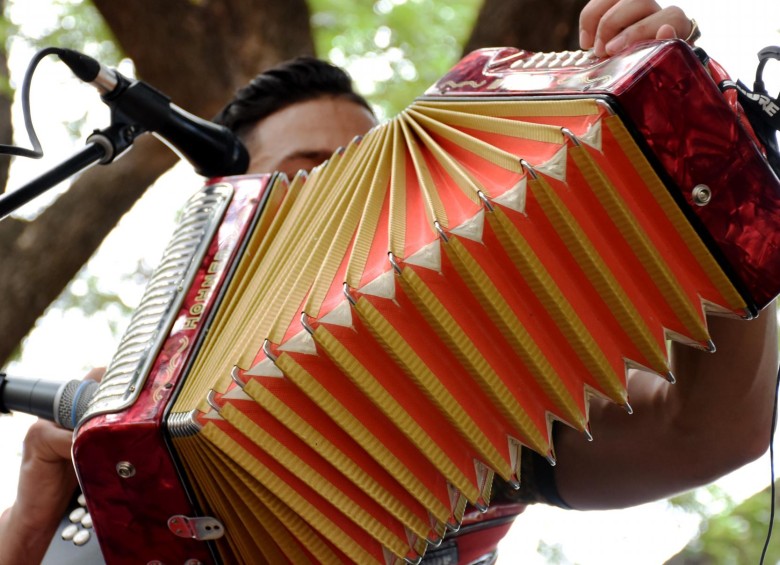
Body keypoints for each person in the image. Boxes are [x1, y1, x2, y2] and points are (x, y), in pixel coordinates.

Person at [1, 1, 777, 564]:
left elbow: (710, 431)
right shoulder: (100, 458)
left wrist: (717, 175)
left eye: (370, 182)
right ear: (222, 220)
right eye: (312, 182)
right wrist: (34, 518)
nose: (350, 210)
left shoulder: (478, 413)